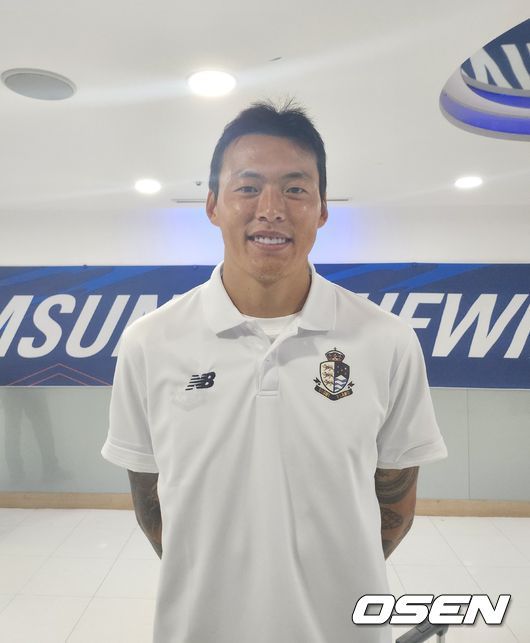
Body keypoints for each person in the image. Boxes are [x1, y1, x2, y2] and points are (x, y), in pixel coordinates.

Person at [102, 100, 447, 643]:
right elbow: (151, 503)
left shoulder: (387, 340)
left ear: (322, 209)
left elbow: (395, 506)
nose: (271, 209)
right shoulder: (150, 342)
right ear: (212, 206)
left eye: (295, 189)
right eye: (248, 187)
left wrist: (329, 576)